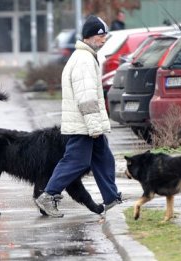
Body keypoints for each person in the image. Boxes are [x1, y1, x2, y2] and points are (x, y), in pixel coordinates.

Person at [35, 15, 123, 218]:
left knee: (104, 159)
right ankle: (49, 196)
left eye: (105, 35)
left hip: (89, 124)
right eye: (101, 35)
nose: (104, 39)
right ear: (90, 36)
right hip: (84, 125)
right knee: (76, 162)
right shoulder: (83, 61)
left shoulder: (86, 57)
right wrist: (94, 126)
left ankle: (111, 199)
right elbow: (86, 98)